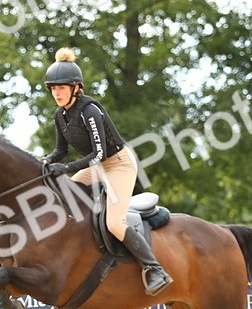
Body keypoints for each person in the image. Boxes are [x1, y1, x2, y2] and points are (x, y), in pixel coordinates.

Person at [39, 48, 172, 295]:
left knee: (114, 222)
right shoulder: (60, 115)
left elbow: (99, 154)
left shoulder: (89, 111)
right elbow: (60, 150)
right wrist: (44, 162)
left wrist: (65, 168)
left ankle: (155, 269)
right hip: (95, 167)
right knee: (66, 194)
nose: (56, 93)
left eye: (62, 88)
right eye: (53, 88)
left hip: (118, 164)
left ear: (76, 88)